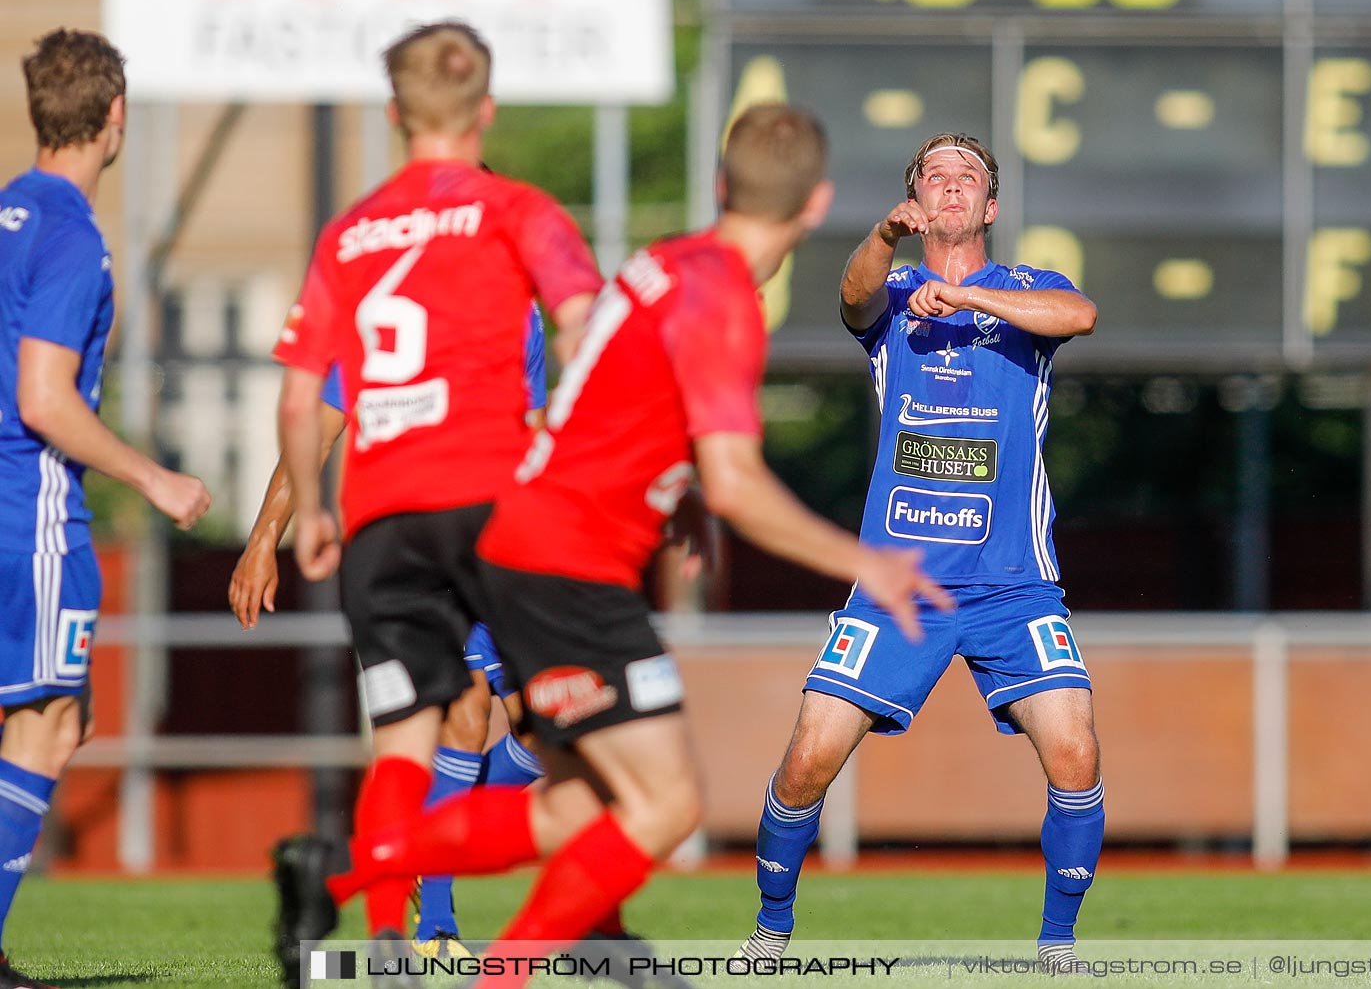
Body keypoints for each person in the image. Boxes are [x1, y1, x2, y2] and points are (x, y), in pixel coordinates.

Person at [319, 103, 950, 989]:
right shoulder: (728, 297)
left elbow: (600, 392)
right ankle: (509, 971)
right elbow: (739, 482)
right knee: (667, 804)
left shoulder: (661, 261)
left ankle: (345, 873)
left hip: (526, 541)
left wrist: (678, 486)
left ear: (723, 185)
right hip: (567, 565)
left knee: (579, 805)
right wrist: (868, 563)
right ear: (817, 206)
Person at [270, 21, 601, 968]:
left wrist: (312, 509)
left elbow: (302, 397)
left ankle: (377, 936)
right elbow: (582, 332)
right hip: (493, 510)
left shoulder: (350, 234)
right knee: (595, 749)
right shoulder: (520, 211)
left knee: (408, 742)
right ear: (484, 109)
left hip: (382, 520)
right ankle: (456, 918)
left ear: (392, 116)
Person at [738, 132, 1102, 972]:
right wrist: (884, 238)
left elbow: (1079, 316)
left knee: (1076, 754)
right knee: (805, 764)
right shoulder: (896, 290)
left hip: (1014, 585)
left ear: (990, 207)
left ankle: (1057, 947)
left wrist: (974, 302)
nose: (949, 186)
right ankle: (771, 930)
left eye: (966, 176)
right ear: (915, 198)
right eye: (933, 175)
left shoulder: (1027, 288)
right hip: (898, 585)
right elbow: (853, 298)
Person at [231, 308, 550, 957]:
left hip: (506, 546)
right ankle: (432, 922)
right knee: (460, 718)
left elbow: (535, 427)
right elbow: (317, 426)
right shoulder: (379, 297)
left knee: (547, 731)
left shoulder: (519, 304)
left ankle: (377, 859)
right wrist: (265, 537)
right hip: (415, 550)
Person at [0, 30, 211, 989]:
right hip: (29, 511)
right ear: (115, 116)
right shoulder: (71, 233)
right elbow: (45, 400)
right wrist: (154, 477)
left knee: (55, 714)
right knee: (47, 718)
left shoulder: (5, 211)